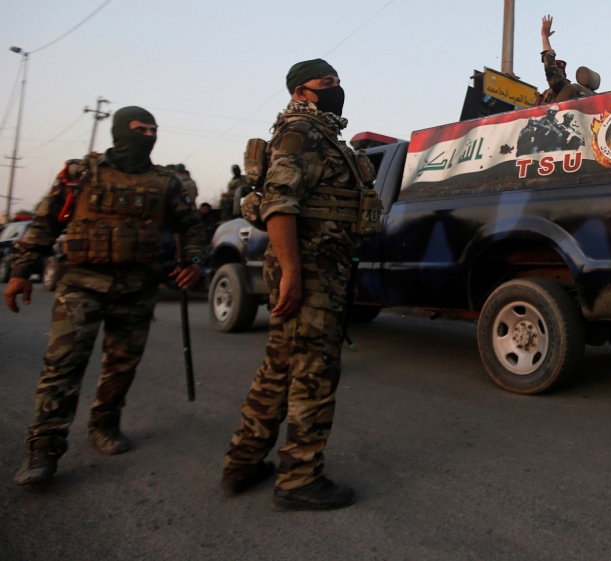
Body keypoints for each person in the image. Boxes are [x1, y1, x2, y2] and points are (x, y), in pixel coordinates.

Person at [5, 106, 205, 485]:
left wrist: (194, 259)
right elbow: (44, 224)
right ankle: (43, 448)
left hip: (137, 287)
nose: (148, 136)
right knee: (62, 365)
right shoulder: (80, 174)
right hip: (82, 283)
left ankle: (105, 424)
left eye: (153, 130)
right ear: (119, 131)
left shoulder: (166, 183)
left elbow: (191, 227)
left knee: (122, 365)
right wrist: (19, 272)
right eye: (140, 129)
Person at [221, 58, 364, 512]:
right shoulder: (301, 132)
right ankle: (299, 478)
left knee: (280, 368)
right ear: (301, 91)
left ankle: (242, 462)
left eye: (338, 80)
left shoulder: (319, 134)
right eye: (327, 82)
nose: (337, 88)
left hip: (317, 267)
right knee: (313, 373)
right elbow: (279, 205)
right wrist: (293, 275)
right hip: (309, 268)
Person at [533, 15, 594, 105]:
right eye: (557, 72)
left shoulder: (565, 88)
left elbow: (550, 67)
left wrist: (544, 37)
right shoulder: (547, 95)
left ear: (564, 76)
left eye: (559, 72)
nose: (556, 74)